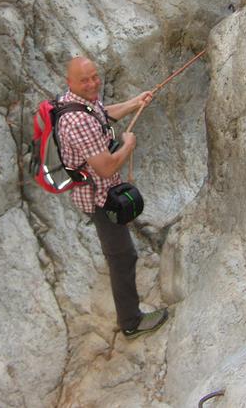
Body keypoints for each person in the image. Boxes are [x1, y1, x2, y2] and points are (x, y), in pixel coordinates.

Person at [57, 56, 169, 339]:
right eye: (84, 80)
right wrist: (128, 145)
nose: (92, 84)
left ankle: (129, 316)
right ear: (70, 82)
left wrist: (134, 103)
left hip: (100, 190)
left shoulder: (79, 101)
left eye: (95, 76)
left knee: (121, 252)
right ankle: (131, 322)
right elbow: (106, 168)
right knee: (122, 256)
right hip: (98, 198)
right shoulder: (77, 121)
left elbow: (102, 115)